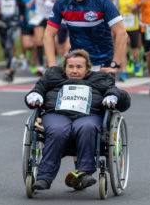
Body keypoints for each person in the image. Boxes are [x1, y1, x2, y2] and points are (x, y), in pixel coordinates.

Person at [24, 49, 131, 191]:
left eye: (79, 67)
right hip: (57, 115)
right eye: (71, 67)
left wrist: (112, 96)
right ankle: (44, 177)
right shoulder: (52, 76)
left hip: (87, 116)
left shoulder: (100, 78)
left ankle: (84, 173)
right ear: (64, 68)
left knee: (86, 128)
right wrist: (34, 96)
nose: (74, 71)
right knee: (57, 130)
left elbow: (120, 96)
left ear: (87, 68)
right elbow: (38, 89)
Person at [44, 0, 127, 73]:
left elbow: (121, 33)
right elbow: (48, 35)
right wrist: (52, 66)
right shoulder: (62, 2)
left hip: (103, 64)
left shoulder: (102, 1)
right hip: (77, 65)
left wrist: (114, 64)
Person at [27, 0, 56, 75]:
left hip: (50, 15)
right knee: (38, 40)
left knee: (51, 40)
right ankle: (40, 64)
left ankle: (53, 62)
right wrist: (31, 2)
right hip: (39, 14)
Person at [116, 0, 141, 80]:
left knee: (134, 50)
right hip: (123, 26)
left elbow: (139, 10)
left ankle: (136, 62)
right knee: (123, 48)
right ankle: (124, 71)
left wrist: (133, 9)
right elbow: (117, 9)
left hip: (133, 26)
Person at [13, 0, 36, 71]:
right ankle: (25, 57)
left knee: (36, 44)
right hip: (26, 22)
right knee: (26, 45)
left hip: (37, 23)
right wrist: (21, 14)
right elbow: (20, 6)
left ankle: (33, 64)